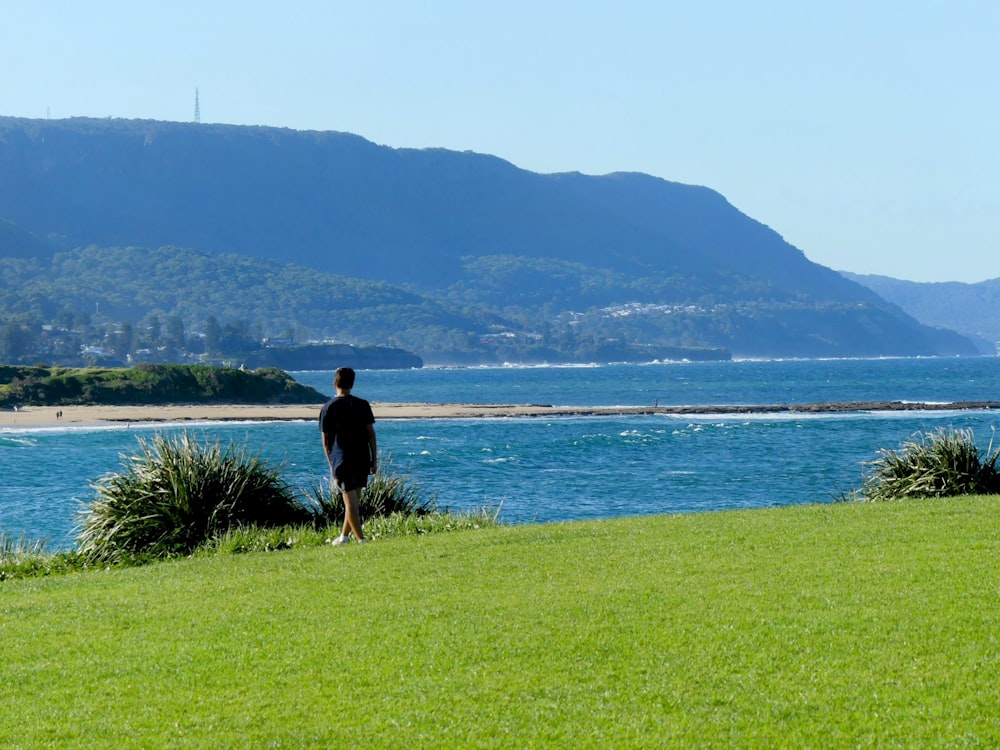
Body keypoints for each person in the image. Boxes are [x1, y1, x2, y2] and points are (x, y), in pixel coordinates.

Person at [319, 367, 377, 545]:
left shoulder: (328, 407)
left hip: (341, 458)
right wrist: (374, 459)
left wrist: (331, 463)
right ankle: (344, 537)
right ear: (352, 384)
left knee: (350, 502)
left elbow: (326, 441)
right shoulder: (362, 404)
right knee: (353, 501)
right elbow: (371, 434)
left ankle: (361, 540)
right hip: (361, 456)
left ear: (335, 384)